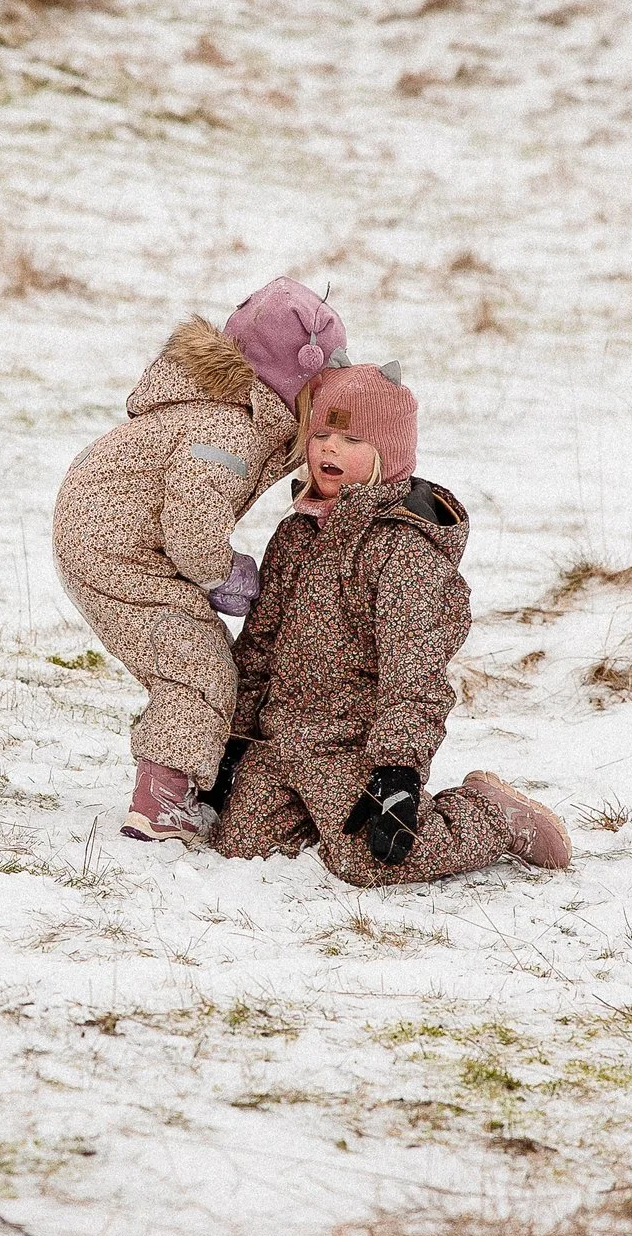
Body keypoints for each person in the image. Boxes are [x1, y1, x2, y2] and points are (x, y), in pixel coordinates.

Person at [204, 362, 570, 885]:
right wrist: (234, 740)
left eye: (351, 438)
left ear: (387, 453)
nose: (329, 449)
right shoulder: (295, 535)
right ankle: (325, 819)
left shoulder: (403, 552)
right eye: (321, 434)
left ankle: (493, 817)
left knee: (376, 860)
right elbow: (260, 644)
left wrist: (396, 770)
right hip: (282, 741)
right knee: (241, 846)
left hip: (354, 747)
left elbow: (414, 675)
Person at [52, 278, 348, 840]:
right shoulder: (229, 430)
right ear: (294, 379)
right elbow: (192, 523)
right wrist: (223, 571)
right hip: (120, 554)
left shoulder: (221, 411)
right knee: (197, 668)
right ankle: (164, 800)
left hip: (114, 540)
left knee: (193, 658)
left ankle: (188, 779)